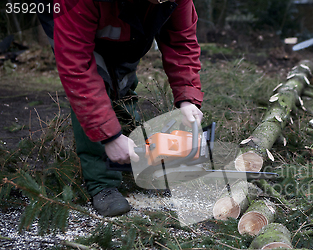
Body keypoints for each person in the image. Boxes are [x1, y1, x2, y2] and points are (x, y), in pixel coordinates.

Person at [37, 0, 204, 216]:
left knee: (122, 82)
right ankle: (102, 184)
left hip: (126, 27)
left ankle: (130, 157)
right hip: (72, 17)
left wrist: (187, 98)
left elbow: (182, 43)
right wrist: (109, 136)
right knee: (97, 82)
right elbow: (78, 68)